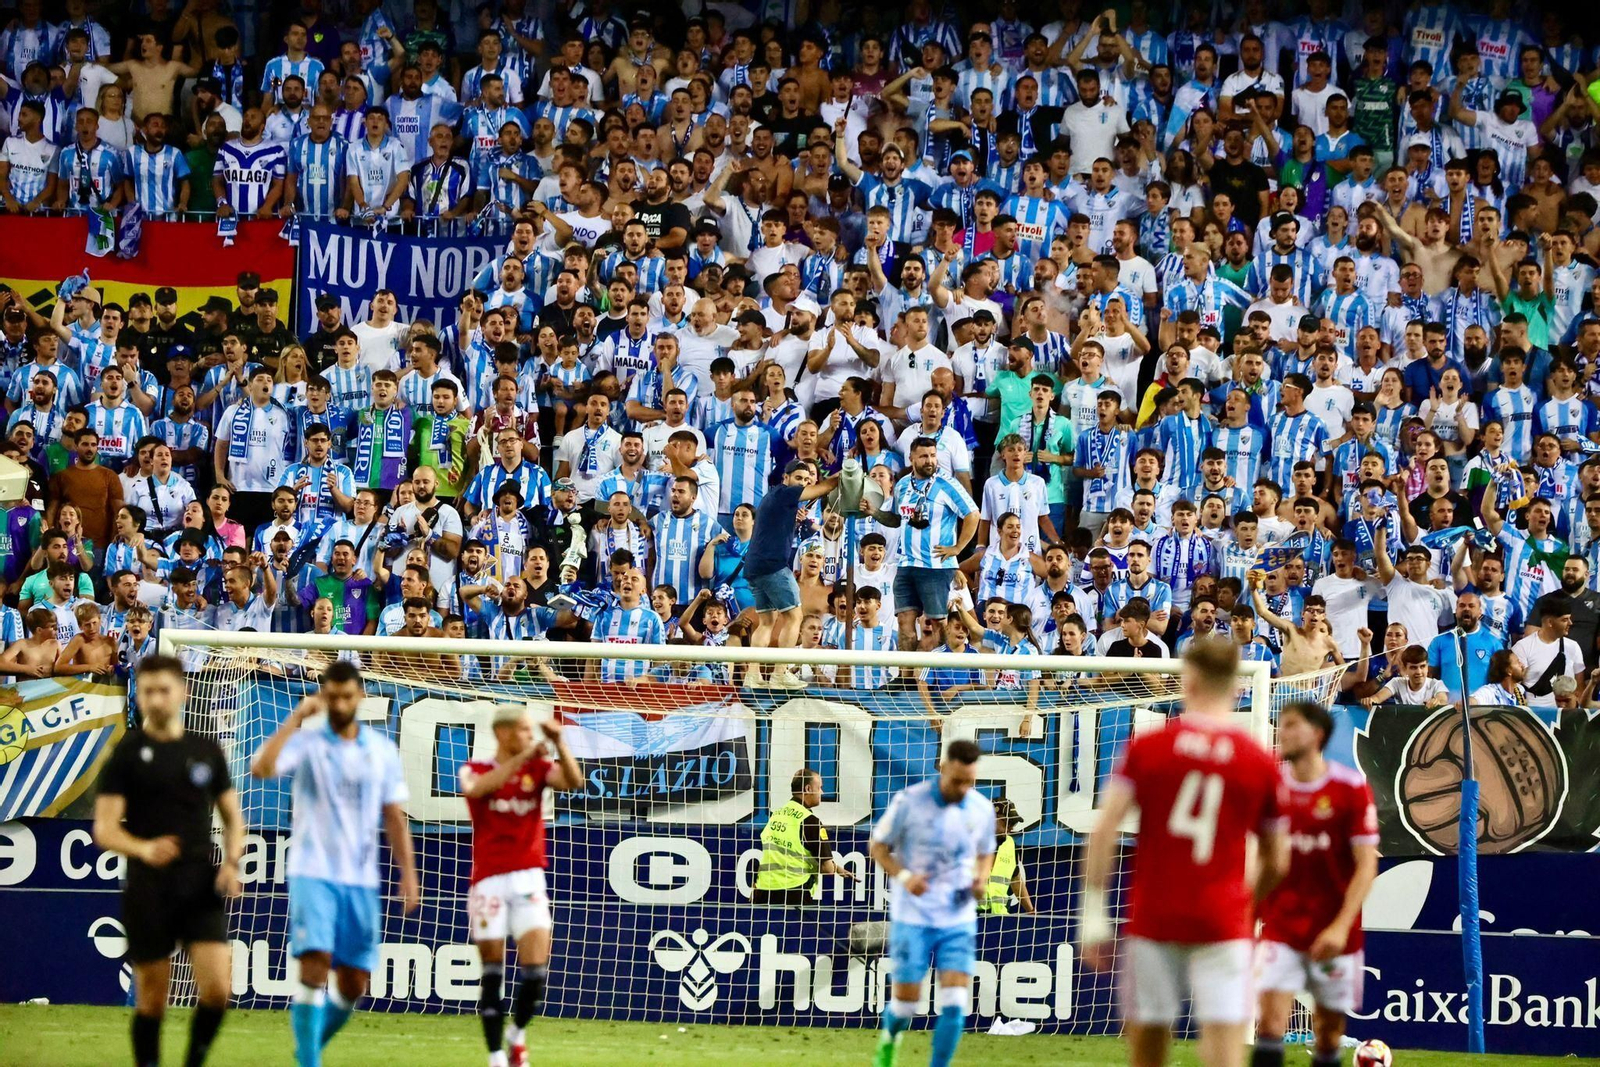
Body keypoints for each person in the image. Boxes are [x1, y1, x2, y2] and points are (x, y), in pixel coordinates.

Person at [1081, 638, 1289, 1067]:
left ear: (1188, 680)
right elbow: (1279, 857)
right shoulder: (1258, 760)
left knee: (1149, 1047)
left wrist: (1094, 918)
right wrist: (1249, 904)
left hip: (1156, 916)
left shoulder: (1150, 747)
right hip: (1224, 918)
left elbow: (1102, 834)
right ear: (1236, 686)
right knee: (1224, 1047)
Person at [250, 661, 420, 1067]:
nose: (341, 703)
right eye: (334, 696)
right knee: (316, 961)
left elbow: (393, 815)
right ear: (324, 696)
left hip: (360, 879)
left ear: (360, 695)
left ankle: (307, 1046)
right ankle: (309, 1062)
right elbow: (260, 769)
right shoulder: (308, 744)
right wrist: (296, 717)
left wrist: (409, 874)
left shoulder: (380, 750)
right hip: (313, 871)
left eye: (348, 695)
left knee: (354, 981)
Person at [92, 655, 243, 1067]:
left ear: (183, 692)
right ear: (138, 696)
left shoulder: (206, 750)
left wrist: (231, 862)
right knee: (153, 1002)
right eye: (148, 692)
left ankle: (193, 1060)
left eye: (164, 690)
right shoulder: (126, 754)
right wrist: (143, 849)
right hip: (148, 886)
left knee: (217, 992)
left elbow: (233, 817)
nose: (156, 700)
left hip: (200, 884)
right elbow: (104, 829)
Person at [1253, 701, 1379, 1067]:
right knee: (1271, 1023)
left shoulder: (1350, 788)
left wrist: (1340, 927)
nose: (1283, 731)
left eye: (1292, 725)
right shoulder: (1271, 788)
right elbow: (1265, 861)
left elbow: (1367, 864)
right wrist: (1247, 913)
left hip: (1334, 929)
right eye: (1282, 725)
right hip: (1282, 925)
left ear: (1317, 735)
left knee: (1327, 1031)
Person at [460, 705, 583, 1067]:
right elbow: (481, 789)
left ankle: (517, 1034)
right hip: (488, 882)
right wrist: (527, 755)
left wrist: (560, 742)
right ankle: (497, 1056)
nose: (531, 737)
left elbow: (574, 782)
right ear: (503, 733)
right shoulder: (475, 769)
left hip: (529, 876)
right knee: (493, 974)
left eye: (533, 731)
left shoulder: (539, 769)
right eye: (525, 731)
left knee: (535, 975)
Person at [869, 738, 994, 1067]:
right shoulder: (910, 802)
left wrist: (981, 878)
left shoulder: (981, 808)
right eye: (957, 780)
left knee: (956, 1001)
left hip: (958, 916)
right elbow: (878, 847)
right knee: (907, 1004)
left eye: (970, 781)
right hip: (914, 916)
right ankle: (890, 1038)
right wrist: (905, 877)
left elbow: (986, 851)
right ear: (943, 770)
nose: (964, 788)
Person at [742, 458, 841, 688]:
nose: (802, 484)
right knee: (795, 617)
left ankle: (753, 675)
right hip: (773, 566)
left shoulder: (776, 498)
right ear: (785, 478)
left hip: (754, 568)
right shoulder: (785, 493)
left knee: (767, 621)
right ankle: (780, 673)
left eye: (806, 480)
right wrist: (844, 475)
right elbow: (825, 487)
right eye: (798, 478)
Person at [753, 767, 857, 906]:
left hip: (763, 890)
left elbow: (781, 853)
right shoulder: (810, 821)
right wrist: (834, 868)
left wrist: (838, 868)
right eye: (819, 788)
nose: (822, 792)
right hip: (793, 892)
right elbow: (827, 868)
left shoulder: (776, 815)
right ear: (808, 789)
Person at [979, 797, 1035, 916]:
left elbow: (1015, 880)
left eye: (1013, 823)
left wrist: (1030, 910)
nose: (1011, 827)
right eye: (1007, 822)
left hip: (1000, 918)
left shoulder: (1010, 844)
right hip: (971, 917)